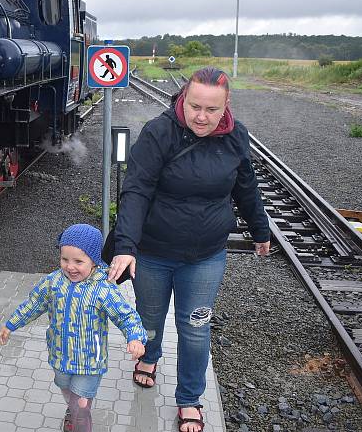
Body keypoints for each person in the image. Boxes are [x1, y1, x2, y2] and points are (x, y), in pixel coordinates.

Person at [108, 67, 271, 432]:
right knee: (148, 318)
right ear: (183, 98)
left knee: (196, 328)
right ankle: (149, 356)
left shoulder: (236, 137)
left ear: (226, 105)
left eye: (211, 110)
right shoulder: (159, 132)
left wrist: (260, 231)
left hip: (205, 256)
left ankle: (189, 398)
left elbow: (246, 189)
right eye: (194, 106)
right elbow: (136, 190)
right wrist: (126, 247)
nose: (201, 117)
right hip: (152, 252)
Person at [0, 223, 147, 432]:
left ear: (94, 261)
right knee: (66, 389)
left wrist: (135, 337)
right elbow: (33, 304)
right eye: (64, 259)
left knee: (81, 405)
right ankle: (73, 409)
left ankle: (79, 417)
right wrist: (11, 324)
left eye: (78, 261)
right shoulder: (53, 282)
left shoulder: (103, 288)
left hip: (89, 361)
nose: (70, 267)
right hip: (60, 355)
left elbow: (126, 315)